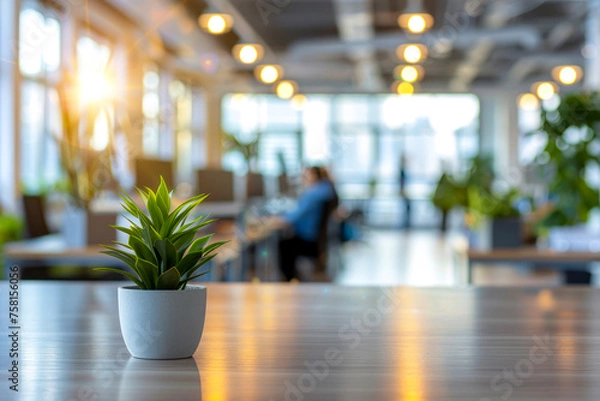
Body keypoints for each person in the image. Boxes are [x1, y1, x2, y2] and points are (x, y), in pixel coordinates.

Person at [272, 166, 336, 281]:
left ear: (315, 177)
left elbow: (291, 218)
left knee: (283, 246)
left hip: (308, 241)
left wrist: (271, 221)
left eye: (305, 176)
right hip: (318, 241)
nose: (302, 179)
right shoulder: (325, 190)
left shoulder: (312, 194)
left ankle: (291, 281)